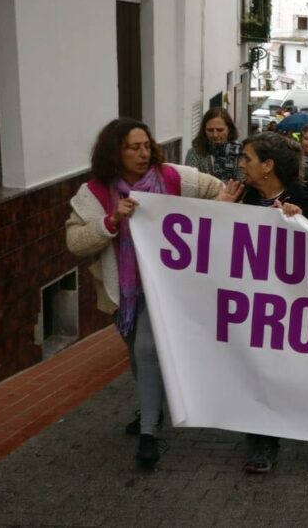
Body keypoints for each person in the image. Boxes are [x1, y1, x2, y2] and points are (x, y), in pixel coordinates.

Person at [66, 118, 235, 466]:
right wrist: (110, 222)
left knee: (146, 349)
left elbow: (217, 188)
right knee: (138, 356)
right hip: (126, 293)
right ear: (115, 151)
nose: (144, 154)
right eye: (134, 147)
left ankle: (148, 434)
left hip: (170, 288)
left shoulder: (171, 177)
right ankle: (152, 406)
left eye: (147, 146)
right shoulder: (95, 193)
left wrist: (217, 203)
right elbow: (75, 243)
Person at [231, 131, 308, 473]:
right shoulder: (240, 197)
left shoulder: (304, 198)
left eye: (247, 159)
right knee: (255, 366)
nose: (241, 165)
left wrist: (300, 221)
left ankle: (271, 430)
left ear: (267, 166)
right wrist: (222, 210)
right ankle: (262, 437)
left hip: (291, 304)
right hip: (250, 300)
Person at [184, 107, 243, 183]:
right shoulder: (194, 153)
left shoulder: (240, 152)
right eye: (210, 130)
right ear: (204, 130)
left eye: (220, 130)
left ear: (229, 129)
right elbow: (190, 182)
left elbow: (241, 182)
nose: (215, 135)